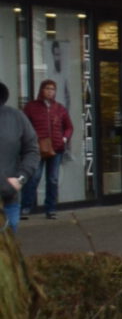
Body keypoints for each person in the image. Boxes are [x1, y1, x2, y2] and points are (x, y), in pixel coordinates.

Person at [24, 79, 70, 218]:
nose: (50, 91)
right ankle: (25, 207)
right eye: (47, 88)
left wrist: (64, 138)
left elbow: (69, 127)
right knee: (34, 177)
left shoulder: (60, 108)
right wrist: (31, 141)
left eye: (53, 89)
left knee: (53, 179)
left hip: (56, 149)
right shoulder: (31, 107)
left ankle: (51, 209)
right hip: (38, 148)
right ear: (42, 90)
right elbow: (24, 126)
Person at [0, 86, 39, 232]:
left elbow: (32, 150)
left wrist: (20, 178)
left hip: (7, 199)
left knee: (8, 250)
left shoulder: (16, 117)